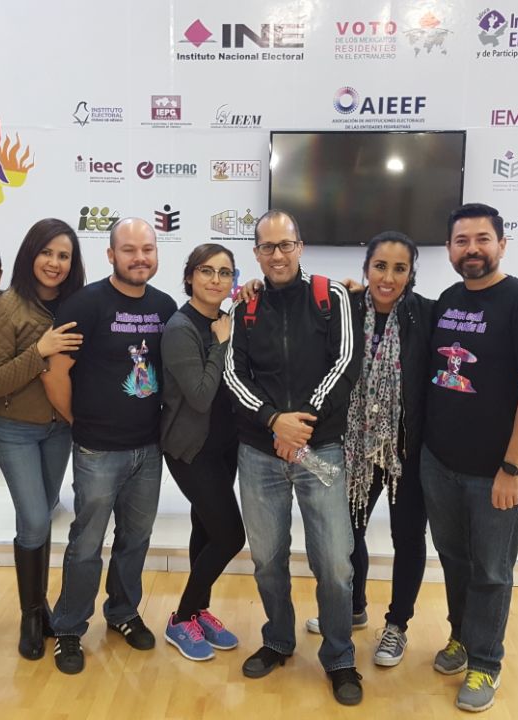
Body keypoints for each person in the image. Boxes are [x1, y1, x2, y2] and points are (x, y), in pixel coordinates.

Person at [223, 210, 364, 705]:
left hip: (319, 450)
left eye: (286, 245)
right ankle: (279, 640)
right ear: (256, 253)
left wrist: (298, 424)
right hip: (259, 455)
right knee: (267, 559)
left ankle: (339, 656)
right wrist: (272, 421)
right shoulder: (244, 307)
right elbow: (234, 374)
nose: (277, 254)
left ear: (300, 247)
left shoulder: (332, 296)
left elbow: (345, 362)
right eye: (268, 247)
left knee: (335, 563)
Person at [422, 203, 518, 713]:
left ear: (502, 243)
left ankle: (485, 662)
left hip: (495, 472)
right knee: (454, 559)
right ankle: (461, 636)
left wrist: (512, 468)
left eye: (482, 239)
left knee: (493, 571)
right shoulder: (448, 300)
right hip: (440, 464)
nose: (472, 249)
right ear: (450, 249)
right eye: (462, 241)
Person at [41, 217, 178, 674]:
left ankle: (122, 612)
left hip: (148, 449)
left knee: (135, 539)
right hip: (98, 450)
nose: (139, 257)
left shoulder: (165, 306)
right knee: (86, 543)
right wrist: (81, 422)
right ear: (111, 254)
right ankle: (68, 627)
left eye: (147, 249)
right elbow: (55, 374)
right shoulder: (86, 304)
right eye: (129, 249)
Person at [302, 231, 434, 668]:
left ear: (411, 273)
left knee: (407, 538)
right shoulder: (347, 307)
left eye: (399, 268)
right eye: (380, 266)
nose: (388, 278)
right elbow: (296, 298)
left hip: (404, 450)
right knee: (347, 534)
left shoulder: (426, 315)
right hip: (352, 447)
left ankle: (396, 625)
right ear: (366, 268)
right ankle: (353, 608)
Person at [0, 218, 86, 660]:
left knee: (42, 514)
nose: (55, 263)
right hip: (15, 430)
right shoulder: (4, 307)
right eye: (47, 252)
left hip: (58, 429)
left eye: (64, 255)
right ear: (30, 254)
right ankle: (29, 615)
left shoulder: (77, 305)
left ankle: (40, 606)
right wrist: (39, 351)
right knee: (36, 519)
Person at [159, 243, 245, 661]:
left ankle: (198, 611)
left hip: (223, 446)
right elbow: (199, 395)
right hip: (191, 450)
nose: (216, 279)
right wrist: (221, 344)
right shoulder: (181, 327)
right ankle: (181, 618)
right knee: (230, 536)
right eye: (207, 271)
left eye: (225, 272)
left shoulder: (225, 320)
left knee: (207, 529)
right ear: (190, 276)